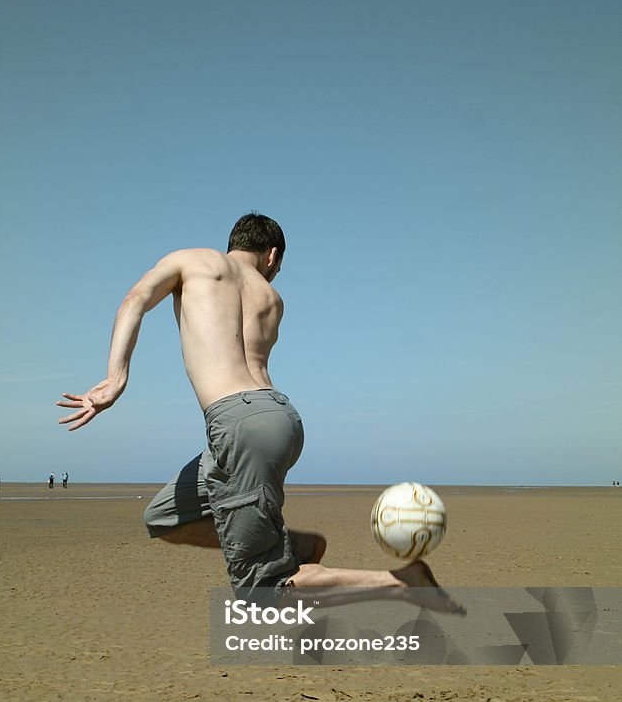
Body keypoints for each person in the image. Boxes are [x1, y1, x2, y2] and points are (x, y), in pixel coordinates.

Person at [58, 213, 461, 612]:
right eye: (278, 267)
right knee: (164, 517)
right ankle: (294, 546)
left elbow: (135, 300)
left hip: (237, 424)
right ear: (271, 255)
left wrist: (116, 377)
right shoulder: (271, 299)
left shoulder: (190, 260)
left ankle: (401, 582)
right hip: (277, 417)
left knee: (262, 589)